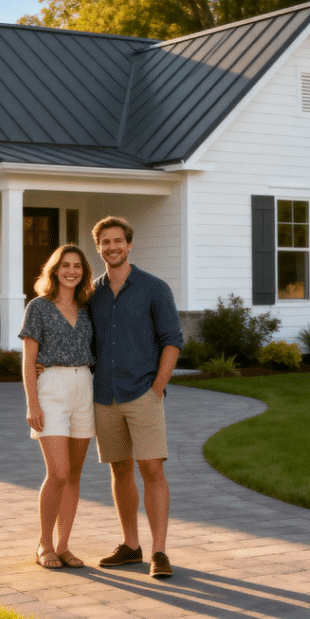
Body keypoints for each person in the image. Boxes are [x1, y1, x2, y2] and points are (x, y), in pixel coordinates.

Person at [89, 216, 183, 579]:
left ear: (129, 245)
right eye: (105, 242)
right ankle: (131, 545)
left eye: (118, 241)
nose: (112, 247)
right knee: (120, 469)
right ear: (98, 248)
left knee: (152, 469)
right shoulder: (91, 293)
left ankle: (159, 551)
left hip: (143, 392)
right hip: (104, 396)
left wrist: (157, 387)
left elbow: (172, 340)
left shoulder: (154, 288)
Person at [19, 244, 96, 570]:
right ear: (54, 269)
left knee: (75, 475)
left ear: (83, 272)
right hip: (51, 389)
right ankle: (44, 543)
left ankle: (64, 546)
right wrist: (32, 403)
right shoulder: (39, 307)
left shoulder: (88, 308)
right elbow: (29, 360)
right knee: (59, 473)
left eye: (77, 266)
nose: (71, 271)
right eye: (65, 265)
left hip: (84, 387)